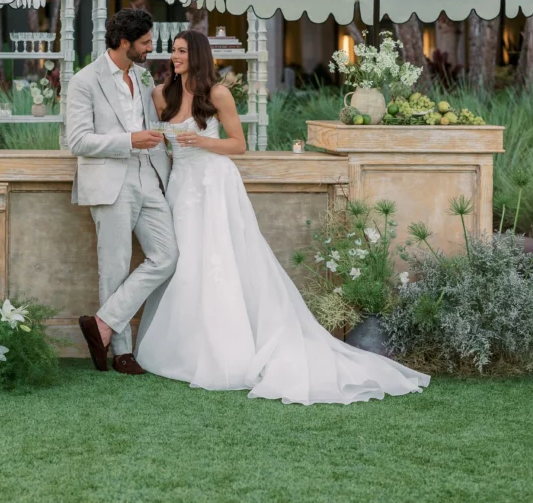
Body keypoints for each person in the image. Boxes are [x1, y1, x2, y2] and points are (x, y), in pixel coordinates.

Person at [135, 29, 430, 404]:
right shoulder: (163, 94)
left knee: (220, 259)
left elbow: (238, 145)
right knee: (185, 262)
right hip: (181, 186)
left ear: (197, 55)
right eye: (172, 51)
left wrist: (203, 141)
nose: (174, 57)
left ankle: (229, 348)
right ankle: (183, 344)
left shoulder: (218, 93)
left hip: (214, 182)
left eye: (180, 51)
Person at [65, 8, 177, 375]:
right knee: (113, 268)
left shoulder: (143, 79)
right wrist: (129, 141)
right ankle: (121, 352)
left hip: (150, 177)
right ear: (124, 42)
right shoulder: (84, 81)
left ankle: (101, 324)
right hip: (110, 181)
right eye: (145, 42)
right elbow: (78, 141)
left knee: (166, 256)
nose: (151, 48)